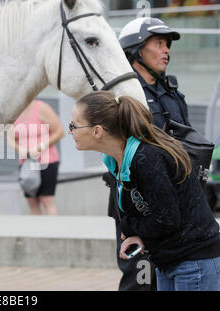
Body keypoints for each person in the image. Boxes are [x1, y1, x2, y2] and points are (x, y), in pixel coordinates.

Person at [69, 90, 220, 291]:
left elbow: (167, 218)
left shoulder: (146, 158)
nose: (70, 131)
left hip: (194, 263)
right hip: (169, 261)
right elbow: (155, 213)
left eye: (74, 126)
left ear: (97, 131)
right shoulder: (119, 160)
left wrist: (129, 227)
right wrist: (137, 234)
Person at [104, 17, 192, 291]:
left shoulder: (171, 90)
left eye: (167, 45)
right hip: (138, 198)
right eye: (158, 43)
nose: (166, 50)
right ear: (136, 49)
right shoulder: (122, 96)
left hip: (175, 197)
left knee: (175, 270)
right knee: (142, 277)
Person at [8, 100, 65, 215]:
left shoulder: (42, 108)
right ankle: (37, 232)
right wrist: (20, 149)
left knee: (46, 199)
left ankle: (53, 231)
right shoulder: (14, 110)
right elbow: (10, 138)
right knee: (31, 200)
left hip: (47, 161)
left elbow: (60, 132)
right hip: (26, 163)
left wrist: (41, 146)